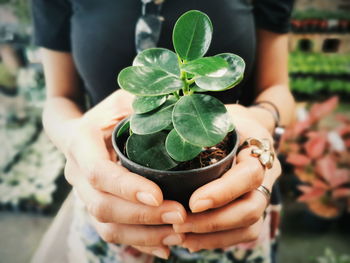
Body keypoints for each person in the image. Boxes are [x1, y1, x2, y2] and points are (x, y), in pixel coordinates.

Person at [32, 0, 295, 262]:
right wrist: (75, 140)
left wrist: (260, 123)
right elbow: (59, 99)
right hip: (109, 212)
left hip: (237, 206)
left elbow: (277, 88)